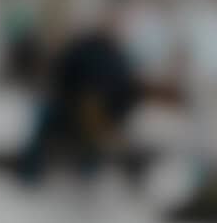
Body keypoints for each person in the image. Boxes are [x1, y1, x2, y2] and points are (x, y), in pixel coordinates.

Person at [16, 10, 142, 185]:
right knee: (49, 119)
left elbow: (59, 76)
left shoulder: (112, 56)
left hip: (88, 113)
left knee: (46, 120)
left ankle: (30, 172)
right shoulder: (113, 56)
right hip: (86, 112)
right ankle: (35, 171)